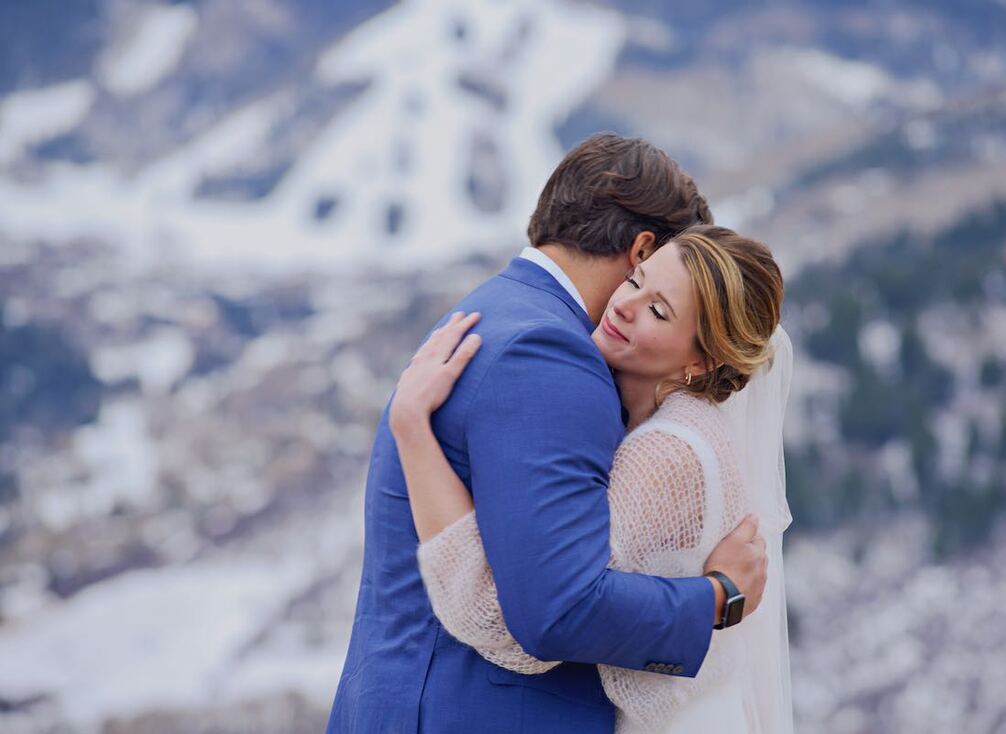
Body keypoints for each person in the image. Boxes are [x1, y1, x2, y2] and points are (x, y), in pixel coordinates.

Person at [326, 134, 769, 733]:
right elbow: (557, 609)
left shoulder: (492, 312)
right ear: (642, 250)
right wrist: (716, 597)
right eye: (645, 281)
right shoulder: (550, 355)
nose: (634, 305)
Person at [390, 225, 793, 732]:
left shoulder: (664, 453)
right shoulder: (673, 426)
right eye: (635, 281)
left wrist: (412, 430)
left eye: (658, 310)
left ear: (701, 360)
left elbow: (508, 623)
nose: (625, 305)